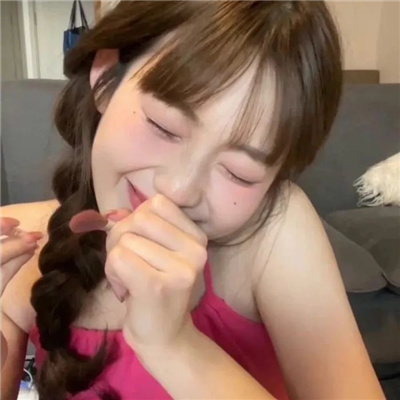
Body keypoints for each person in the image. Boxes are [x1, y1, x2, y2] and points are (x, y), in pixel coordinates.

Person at [0, 2, 385, 400]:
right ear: (105, 78)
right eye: (163, 127)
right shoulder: (27, 248)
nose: (179, 189)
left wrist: (176, 346)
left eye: (238, 172)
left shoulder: (273, 234)